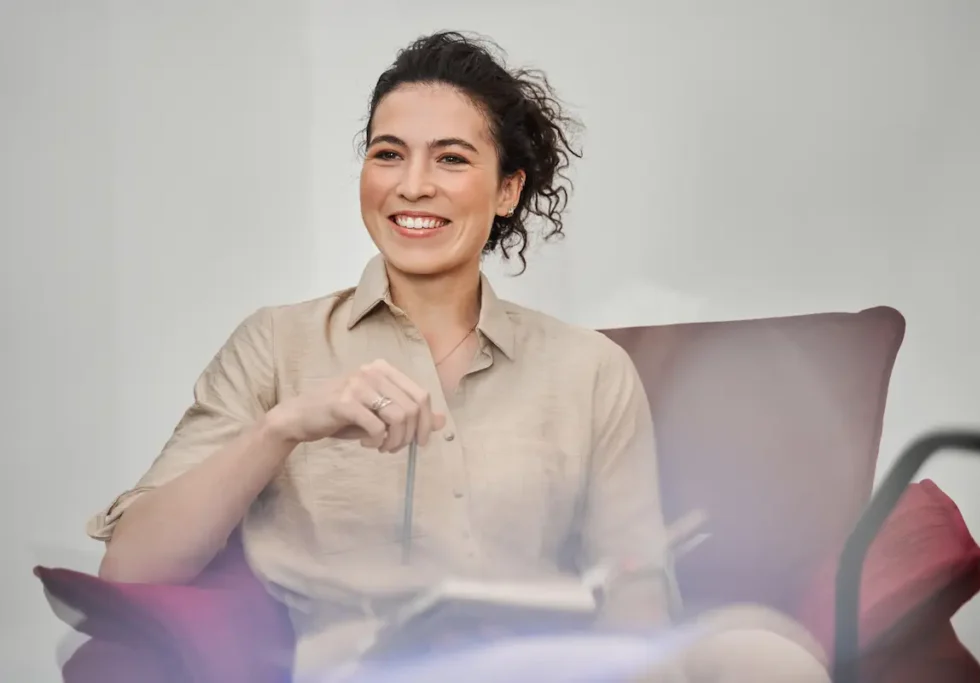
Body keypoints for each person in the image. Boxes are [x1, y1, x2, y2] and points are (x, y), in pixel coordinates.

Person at [88, 31, 830, 682]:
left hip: (558, 665)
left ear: (508, 189)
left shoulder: (589, 368)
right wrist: (284, 425)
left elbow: (636, 598)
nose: (412, 185)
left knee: (769, 658)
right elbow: (132, 567)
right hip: (375, 668)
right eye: (388, 154)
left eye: (451, 158)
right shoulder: (277, 343)